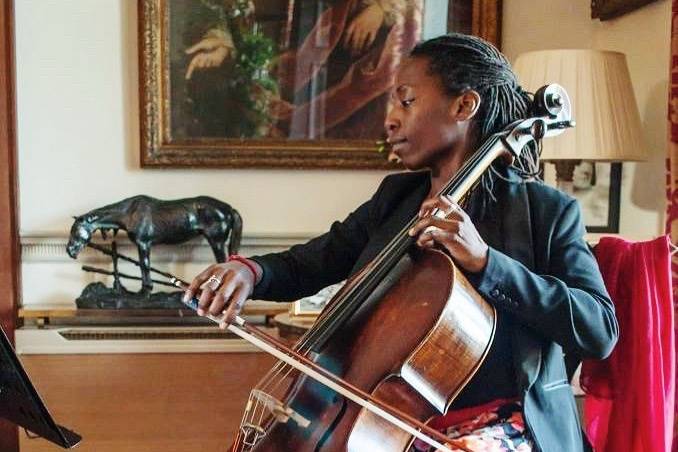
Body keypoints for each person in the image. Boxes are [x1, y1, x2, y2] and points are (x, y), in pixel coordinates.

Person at [184, 33, 618, 451]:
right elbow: (314, 261)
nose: (390, 118)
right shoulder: (397, 198)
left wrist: (486, 262)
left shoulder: (544, 211)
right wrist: (248, 271)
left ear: (464, 105)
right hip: (390, 424)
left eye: (406, 101)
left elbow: (598, 330)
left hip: (505, 425)